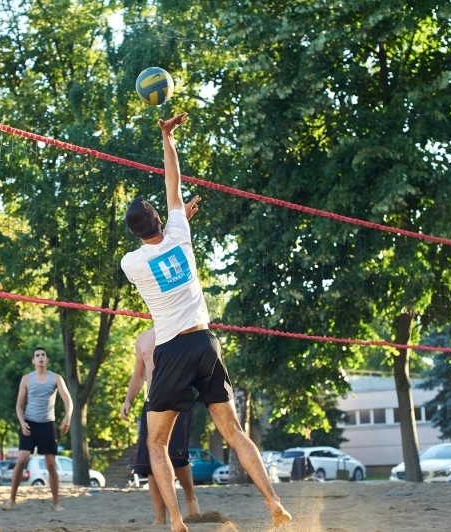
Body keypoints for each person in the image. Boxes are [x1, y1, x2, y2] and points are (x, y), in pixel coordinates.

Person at [120, 112, 291, 532]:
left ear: (133, 232)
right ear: (160, 219)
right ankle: (274, 503)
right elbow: (172, 182)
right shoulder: (180, 233)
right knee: (233, 431)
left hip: (173, 349)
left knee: (156, 442)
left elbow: (159, 236)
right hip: (206, 344)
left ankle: (177, 523)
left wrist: (172, 226)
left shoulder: (131, 262)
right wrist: (167, 136)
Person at [121, 328, 200, 525]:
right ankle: (160, 518)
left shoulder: (181, 332)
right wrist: (128, 400)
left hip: (178, 400)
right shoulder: (142, 339)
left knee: (178, 457)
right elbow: (139, 374)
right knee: (150, 462)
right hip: (152, 403)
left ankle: (191, 499)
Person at [2, 347, 73, 511]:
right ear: (33, 361)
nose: (40, 358)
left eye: (43, 355)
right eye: (37, 356)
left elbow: (68, 400)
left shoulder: (56, 378)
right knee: (21, 460)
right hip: (29, 424)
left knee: (50, 465)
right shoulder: (26, 379)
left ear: (47, 360)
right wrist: (22, 423)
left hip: (47, 425)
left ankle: (56, 503)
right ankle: (11, 499)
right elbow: (19, 406)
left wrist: (67, 417)